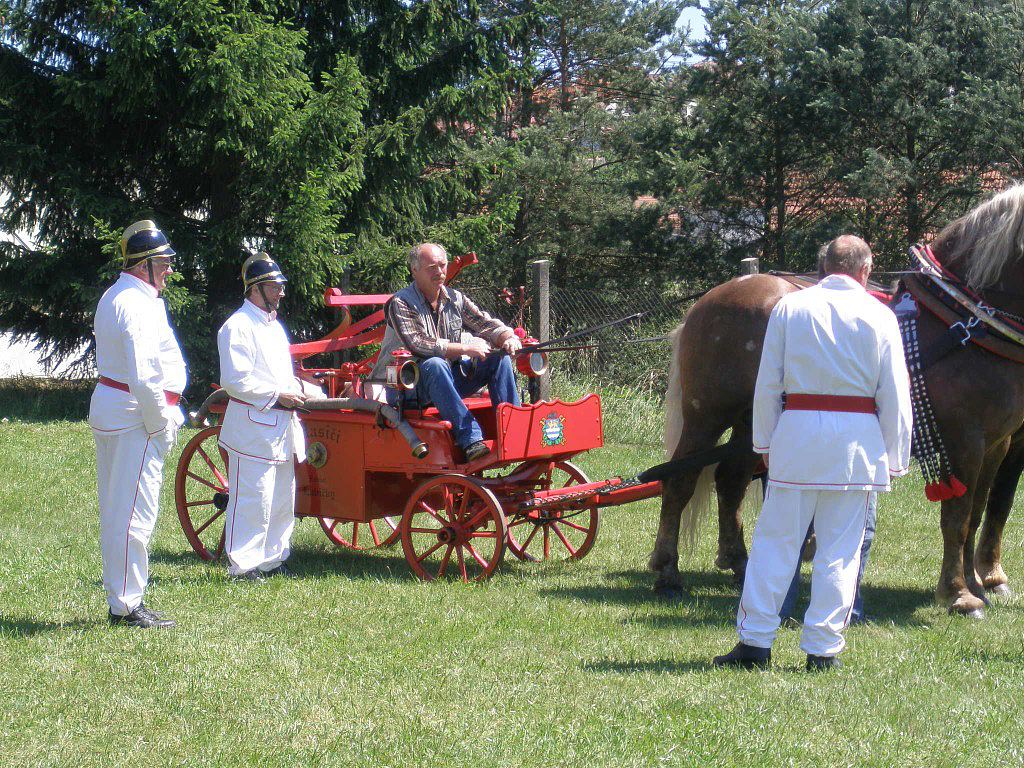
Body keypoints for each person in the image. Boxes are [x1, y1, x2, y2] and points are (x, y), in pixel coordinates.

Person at [714, 235, 912, 671]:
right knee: (841, 552)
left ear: (824, 266)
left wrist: (764, 443)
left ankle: (754, 643)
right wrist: (895, 456)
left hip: (796, 438)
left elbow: (769, 382)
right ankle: (822, 650)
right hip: (856, 447)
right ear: (865, 270)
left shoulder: (790, 308)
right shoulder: (880, 316)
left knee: (774, 545)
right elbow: (896, 393)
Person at [90, 219, 186, 629]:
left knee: (118, 511)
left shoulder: (119, 295)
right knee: (134, 515)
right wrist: (160, 422)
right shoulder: (135, 303)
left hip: (118, 409)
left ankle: (123, 598)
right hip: (136, 415)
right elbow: (146, 377)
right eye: (162, 263)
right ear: (142, 265)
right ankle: (127, 604)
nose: (168, 269)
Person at [370, 243, 522, 461]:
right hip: (407, 389)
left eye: (443, 265)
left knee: (498, 359)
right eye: (432, 267)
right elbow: (418, 344)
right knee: (435, 363)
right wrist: (466, 348)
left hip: (445, 380)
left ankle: (514, 432)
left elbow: (484, 323)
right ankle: (471, 440)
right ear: (414, 270)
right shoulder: (400, 303)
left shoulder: (455, 298)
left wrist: (508, 338)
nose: (440, 272)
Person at [217, 253, 307, 581]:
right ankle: (243, 566)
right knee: (253, 500)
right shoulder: (237, 326)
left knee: (282, 499)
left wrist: (301, 389)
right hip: (253, 430)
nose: (281, 292)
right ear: (254, 289)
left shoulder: (274, 327)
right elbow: (235, 381)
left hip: (282, 428)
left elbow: (281, 375)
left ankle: (273, 559)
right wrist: (278, 395)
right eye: (274, 287)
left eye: (281, 286)